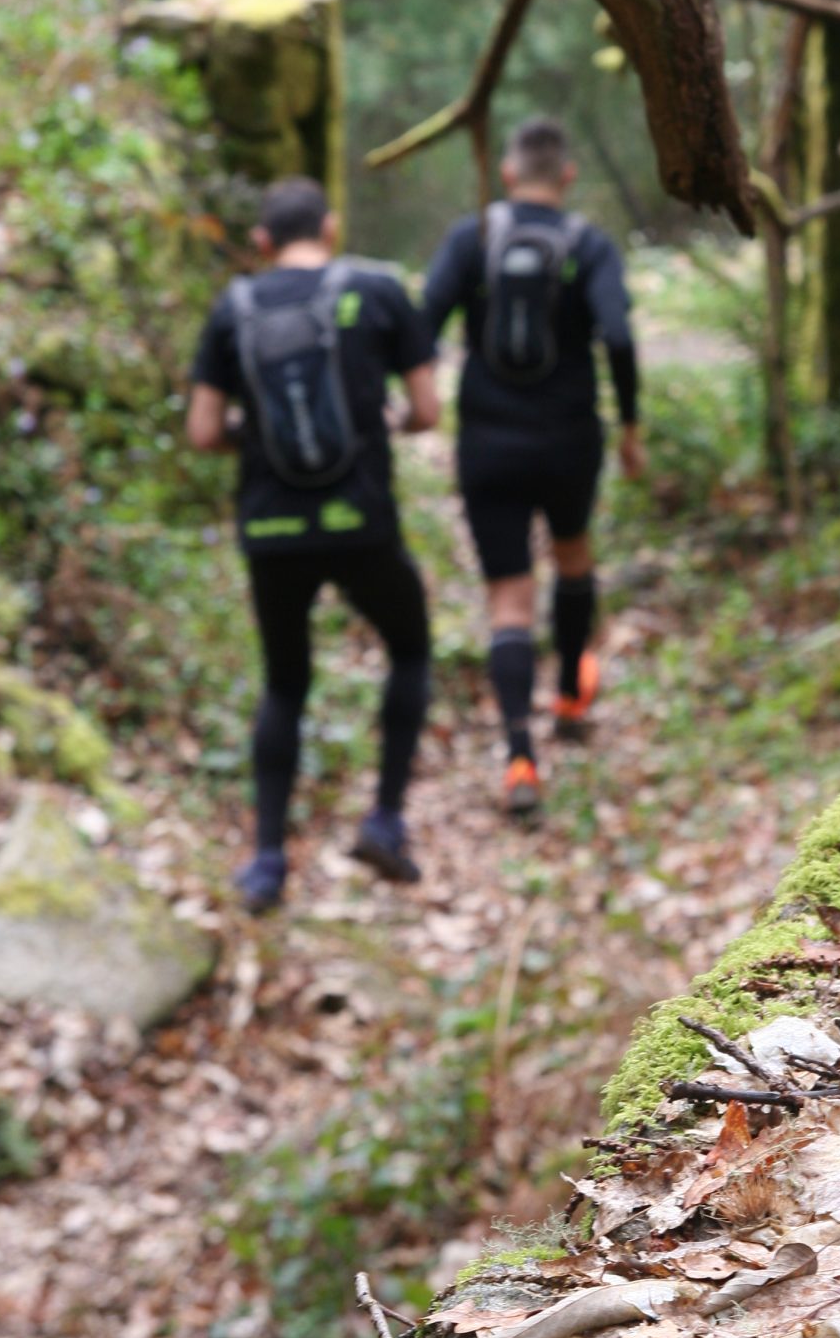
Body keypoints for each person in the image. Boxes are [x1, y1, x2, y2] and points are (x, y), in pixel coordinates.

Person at [187, 176, 439, 911]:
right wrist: (383, 426)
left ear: (261, 243)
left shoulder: (234, 307)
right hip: (360, 521)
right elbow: (426, 409)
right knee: (411, 649)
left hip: (271, 528)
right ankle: (386, 820)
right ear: (329, 229)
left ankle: (266, 861)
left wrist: (253, 438)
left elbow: (203, 431)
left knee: (284, 683)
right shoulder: (380, 290)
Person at [424, 116, 643, 815]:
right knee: (573, 558)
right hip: (568, 439)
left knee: (507, 602)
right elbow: (617, 334)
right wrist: (631, 425)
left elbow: (420, 327)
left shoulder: (473, 238)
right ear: (568, 177)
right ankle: (571, 700)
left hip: (486, 442)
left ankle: (520, 758)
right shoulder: (588, 244)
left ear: (510, 173)